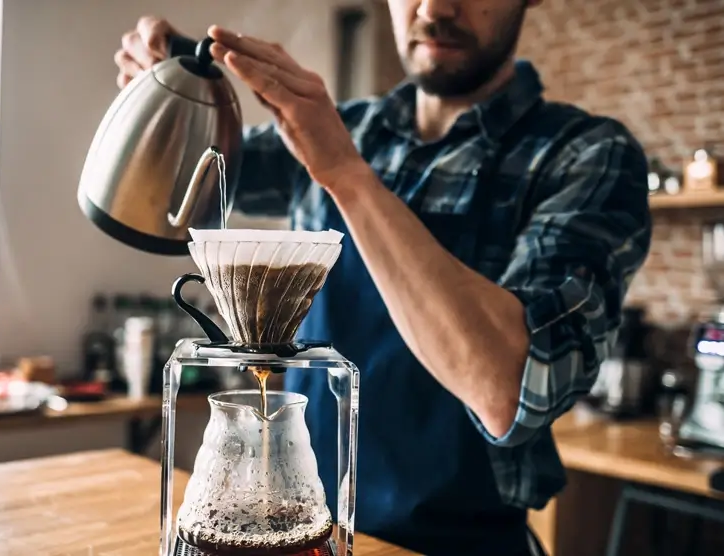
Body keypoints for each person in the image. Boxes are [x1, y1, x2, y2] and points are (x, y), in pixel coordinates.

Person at [116, 1, 651, 554]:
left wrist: (347, 176)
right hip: (304, 534)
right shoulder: (341, 129)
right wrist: (174, 81)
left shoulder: (586, 156)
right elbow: (187, 180)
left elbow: (509, 390)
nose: (437, 6)